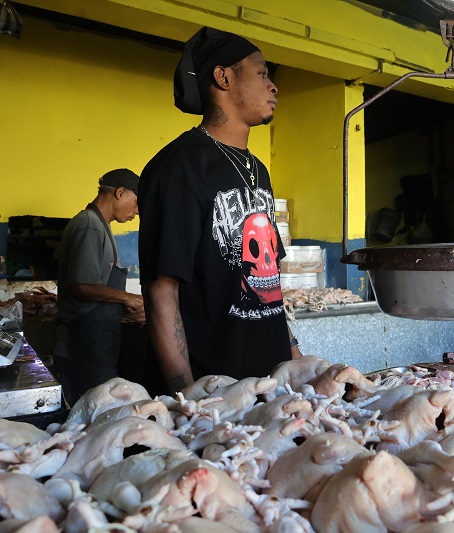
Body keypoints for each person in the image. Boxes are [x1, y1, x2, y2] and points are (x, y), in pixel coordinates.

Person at [138, 26, 302, 396]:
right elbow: (161, 291)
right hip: (214, 392)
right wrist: (187, 397)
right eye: (261, 73)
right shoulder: (177, 168)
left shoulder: (258, 170)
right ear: (223, 77)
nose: (273, 86)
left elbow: (269, 283)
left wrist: (295, 358)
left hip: (269, 388)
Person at [53, 168, 145, 406]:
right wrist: (129, 298)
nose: (137, 211)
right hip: (86, 338)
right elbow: (81, 286)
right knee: (93, 404)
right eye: (137, 202)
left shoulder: (99, 225)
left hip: (96, 335)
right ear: (120, 193)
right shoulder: (89, 225)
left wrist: (124, 308)